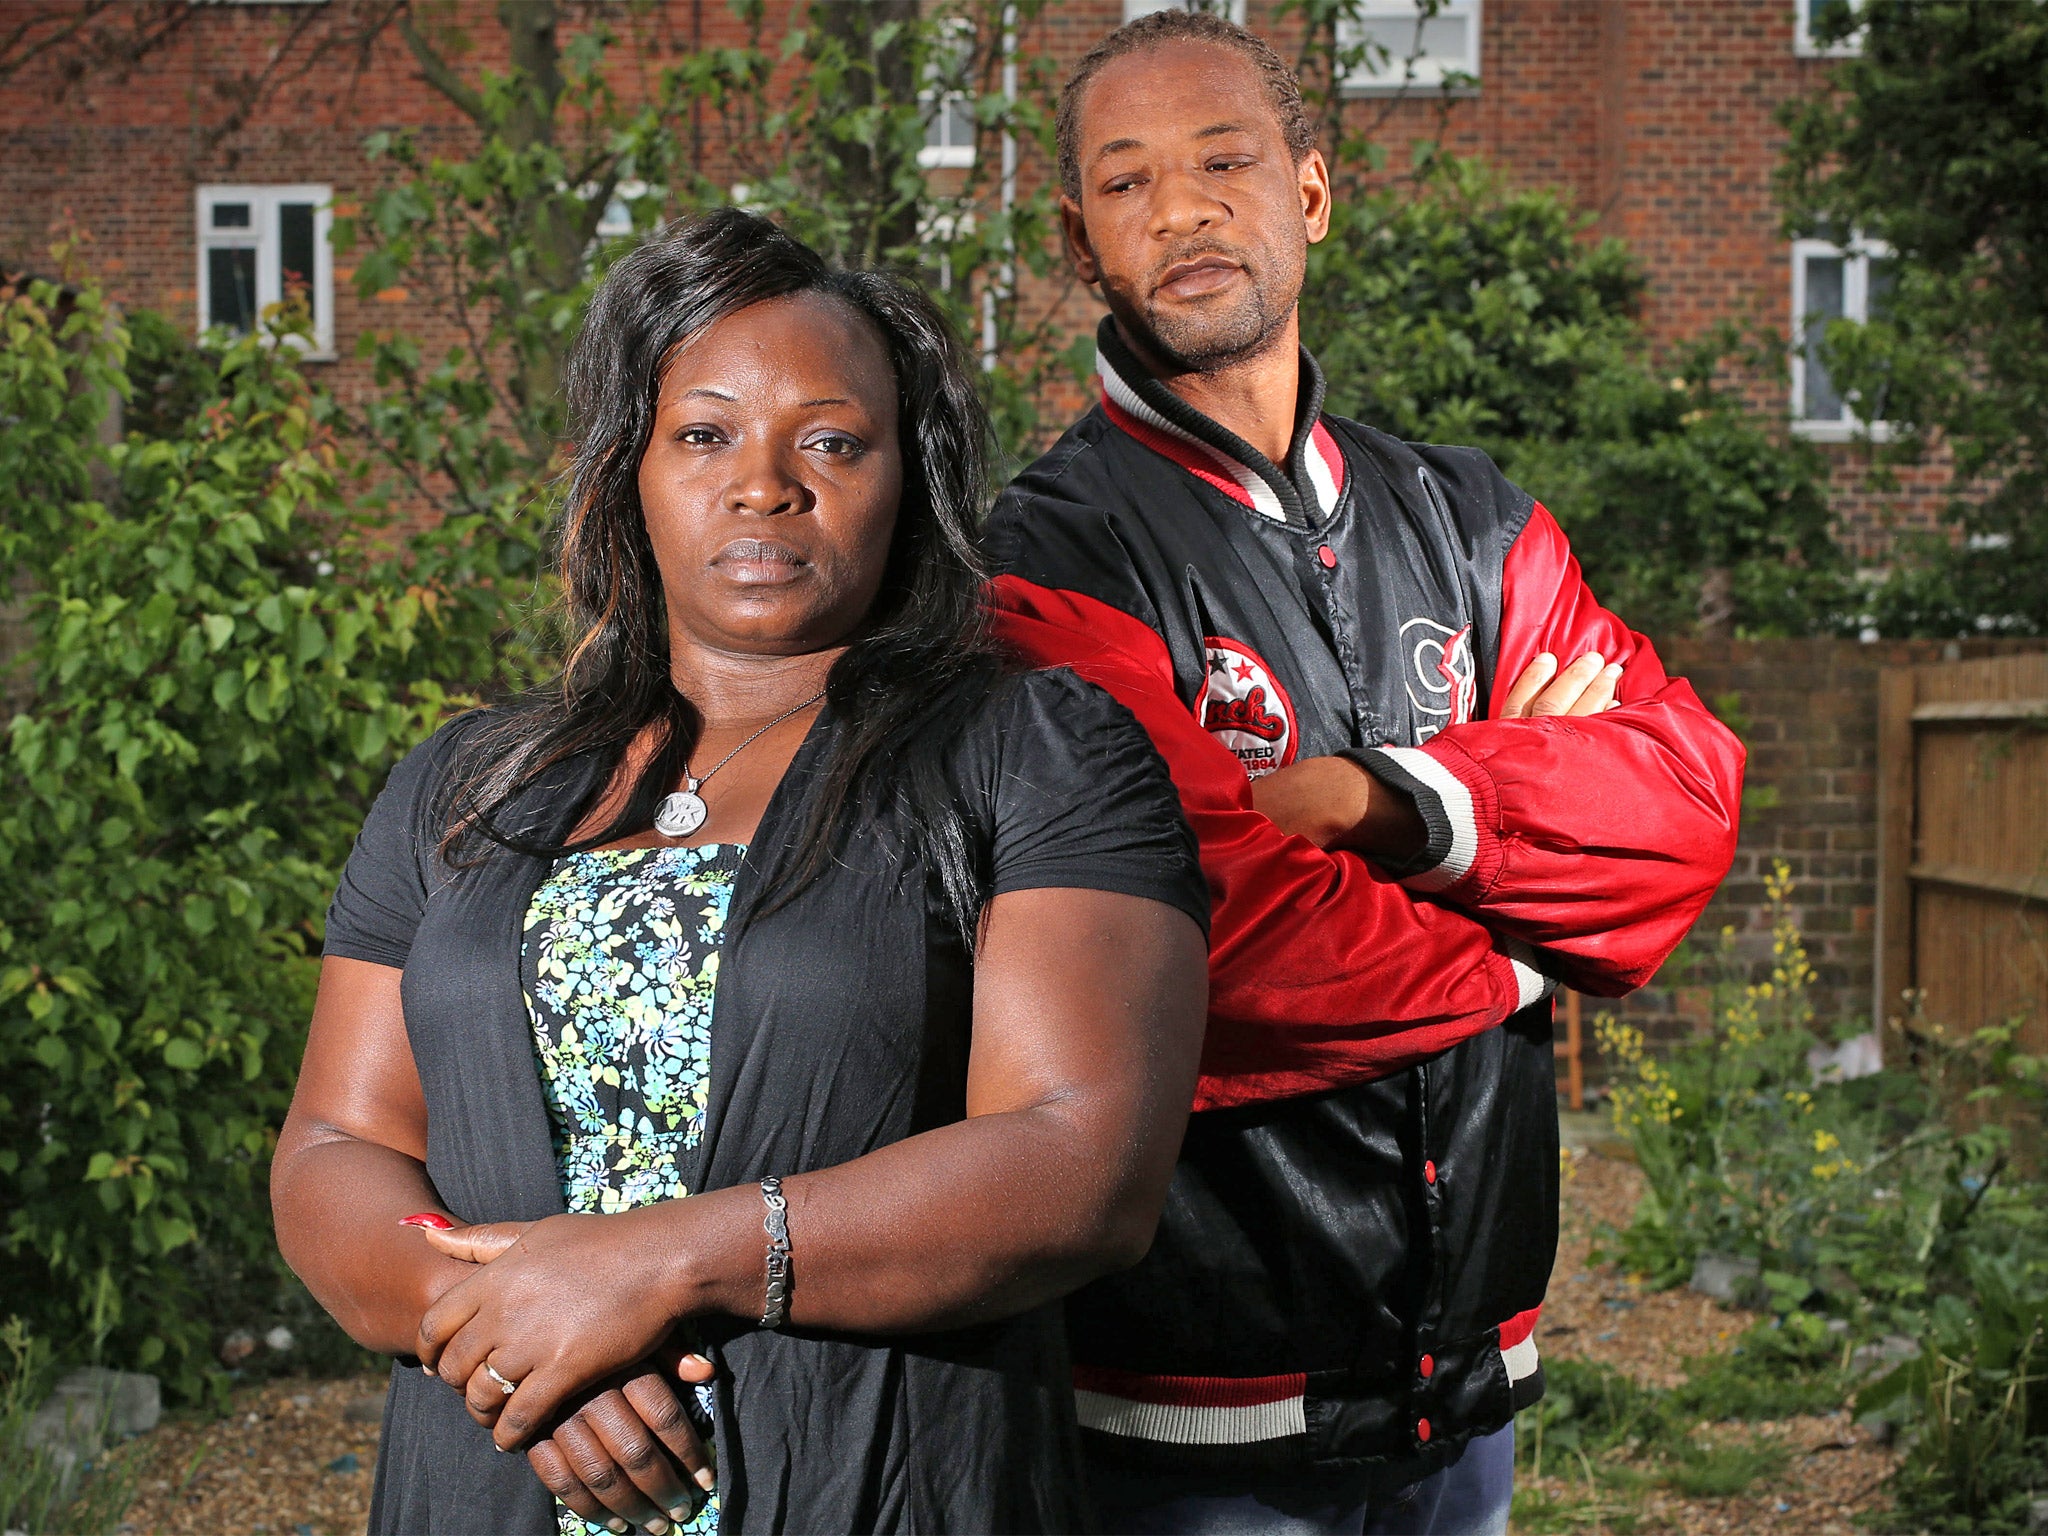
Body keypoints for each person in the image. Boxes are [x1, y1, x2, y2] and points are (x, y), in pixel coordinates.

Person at [271, 208, 1212, 1536]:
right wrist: (514, 1339)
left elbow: (1081, 1163)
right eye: (704, 435)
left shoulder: (1036, 754)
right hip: (490, 1479)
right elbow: (335, 1145)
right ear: (628, 472)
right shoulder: (465, 786)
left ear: (911, 477)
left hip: (874, 1483)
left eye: (830, 441)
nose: (764, 485)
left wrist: (653, 1269)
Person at [981, 11, 1746, 1533]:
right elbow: (1212, 946)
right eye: (1128, 184)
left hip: (1468, 1372)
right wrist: (1533, 921)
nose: (1184, 209)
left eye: (1224, 161)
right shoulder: (1040, 565)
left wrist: (1382, 799)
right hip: (1189, 1408)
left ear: (1310, 193)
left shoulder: (1474, 523)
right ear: (1080, 240)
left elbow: (1686, 805)